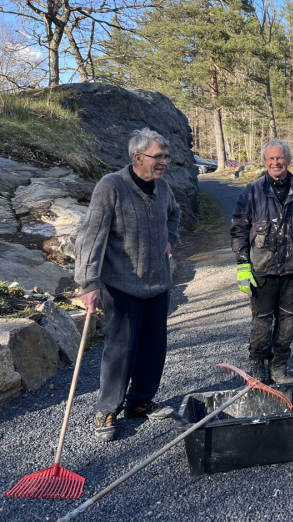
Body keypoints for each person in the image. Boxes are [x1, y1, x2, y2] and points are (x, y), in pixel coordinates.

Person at [75, 128, 180, 442]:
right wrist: (88, 282)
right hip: (121, 283)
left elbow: (174, 214)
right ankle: (107, 408)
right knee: (120, 350)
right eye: (157, 156)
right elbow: (91, 236)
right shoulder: (112, 186)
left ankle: (140, 401)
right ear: (138, 158)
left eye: (166, 156)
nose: (163, 162)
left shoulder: (164, 188)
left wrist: (169, 240)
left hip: (157, 283)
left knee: (153, 348)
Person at [231, 139, 293, 385]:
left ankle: (279, 367)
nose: (275, 162)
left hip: (292, 272)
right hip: (262, 270)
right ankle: (259, 366)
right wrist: (241, 265)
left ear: (288, 160)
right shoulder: (252, 192)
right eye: (270, 158)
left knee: (288, 323)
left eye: (280, 158)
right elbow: (239, 229)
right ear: (265, 161)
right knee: (261, 324)